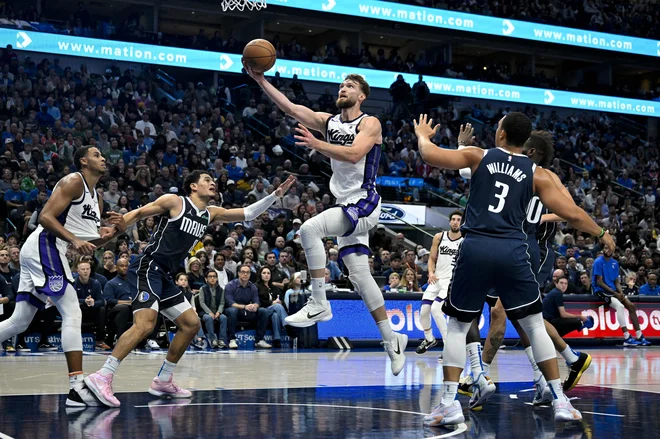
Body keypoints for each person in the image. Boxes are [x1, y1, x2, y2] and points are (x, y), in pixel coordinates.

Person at [414, 113, 615, 425]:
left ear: (502, 134)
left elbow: (429, 155)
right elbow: (573, 214)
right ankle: (560, 399)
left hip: (477, 247)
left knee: (456, 327)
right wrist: (602, 234)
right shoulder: (539, 174)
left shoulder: (477, 155)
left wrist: (424, 135)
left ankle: (448, 403)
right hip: (514, 250)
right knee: (534, 326)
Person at [246, 64, 408, 375]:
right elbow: (290, 107)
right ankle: (392, 339)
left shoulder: (370, 123)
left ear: (361, 95)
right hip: (345, 203)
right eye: (341, 86)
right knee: (360, 276)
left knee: (309, 230)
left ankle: (319, 301)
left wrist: (317, 144)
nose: (342, 89)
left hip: (364, 201)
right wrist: (261, 79)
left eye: (349, 86)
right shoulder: (329, 122)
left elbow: (354, 154)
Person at [85, 171, 296, 407]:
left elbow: (248, 213)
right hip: (148, 266)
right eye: (207, 180)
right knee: (145, 324)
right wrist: (119, 227)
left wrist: (274, 196)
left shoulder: (211, 213)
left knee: (191, 324)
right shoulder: (175, 202)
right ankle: (102, 375)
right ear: (193, 186)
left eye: (213, 180)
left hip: (165, 275)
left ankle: (163, 379)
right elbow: (142, 211)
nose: (212, 183)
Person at [460, 131, 591, 405]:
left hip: (538, 250)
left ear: (529, 151)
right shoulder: (516, 171)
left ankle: (478, 374)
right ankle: (559, 367)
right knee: (520, 316)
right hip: (515, 248)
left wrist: (542, 215)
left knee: (508, 313)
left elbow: (571, 209)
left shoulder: (546, 176)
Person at [0, 145, 124, 408]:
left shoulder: (96, 197)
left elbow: (91, 242)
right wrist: (73, 239)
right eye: (96, 154)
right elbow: (45, 217)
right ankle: (77, 388)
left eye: (103, 156)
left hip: (49, 250)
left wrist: (114, 233)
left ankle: (77, 388)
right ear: (83, 161)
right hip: (44, 245)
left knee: (20, 321)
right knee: (72, 312)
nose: (102, 158)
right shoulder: (73, 181)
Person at [416, 210, 462, 355]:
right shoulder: (439, 237)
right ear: (449, 222)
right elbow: (431, 258)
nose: (455, 222)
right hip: (437, 278)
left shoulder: (465, 240)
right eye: (453, 219)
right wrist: (430, 272)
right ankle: (429, 339)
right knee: (423, 312)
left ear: (462, 223)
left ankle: (448, 346)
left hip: (451, 281)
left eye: (458, 220)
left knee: (436, 309)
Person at [592, 244, 651, 346]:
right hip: (601, 290)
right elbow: (599, 282)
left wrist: (621, 293)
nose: (607, 249)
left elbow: (616, 281)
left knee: (631, 306)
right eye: (605, 247)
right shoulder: (598, 261)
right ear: (602, 249)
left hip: (614, 290)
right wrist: (615, 293)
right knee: (620, 306)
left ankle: (639, 336)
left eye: (609, 248)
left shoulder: (615, 263)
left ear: (613, 250)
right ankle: (627, 337)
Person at [198, 270, 227, 349]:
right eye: (210, 277)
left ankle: (221, 340)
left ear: (217, 278)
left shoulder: (220, 290)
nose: (212, 278)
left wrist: (219, 312)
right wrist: (209, 312)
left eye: (214, 276)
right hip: (205, 312)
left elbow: (222, 303)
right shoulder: (203, 289)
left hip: (216, 311)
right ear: (206, 279)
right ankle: (212, 339)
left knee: (223, 317)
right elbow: (202, 302)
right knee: (208, 318)